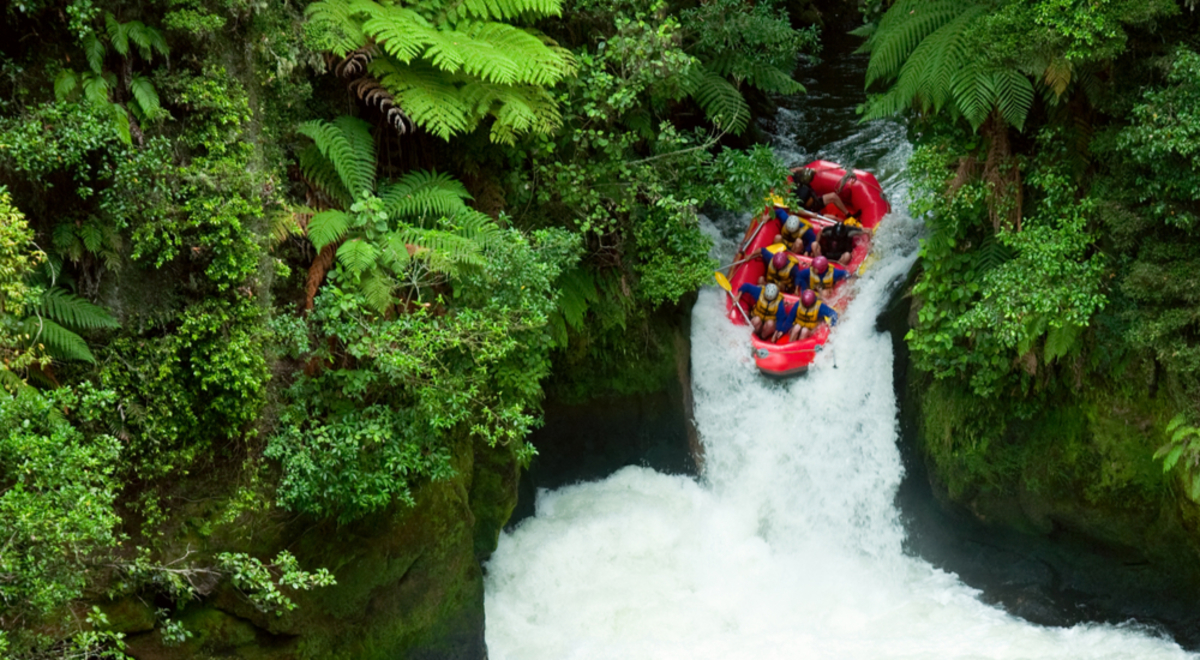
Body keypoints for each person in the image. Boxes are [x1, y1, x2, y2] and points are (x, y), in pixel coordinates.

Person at [789, 167, 855, 217]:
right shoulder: (803, 193)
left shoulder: (796, 177)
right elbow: (796, 209)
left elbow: (793, 170)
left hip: (813, 199)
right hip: (811, 207)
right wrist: (810, 215)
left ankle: (848, 214)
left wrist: (808, 169)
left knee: (833, 196)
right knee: (831, 218)